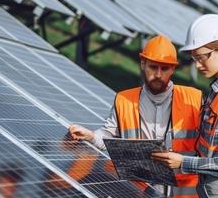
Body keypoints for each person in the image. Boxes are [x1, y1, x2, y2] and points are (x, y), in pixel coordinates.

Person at [69, 35, 202, 197]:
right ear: (143, 63)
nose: (158, 74)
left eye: (165, 68)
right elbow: (108, 137)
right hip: (137, 192)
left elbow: (211, 149)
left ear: (173, 69)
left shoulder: (194, 100)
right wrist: (91, 136)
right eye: (153, 67)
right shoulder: (124, 100)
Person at [152, 14, 218, 198]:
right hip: (212, 188)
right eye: (194, 58)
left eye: (202, 57)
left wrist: (184, 162)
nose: (197, 65)